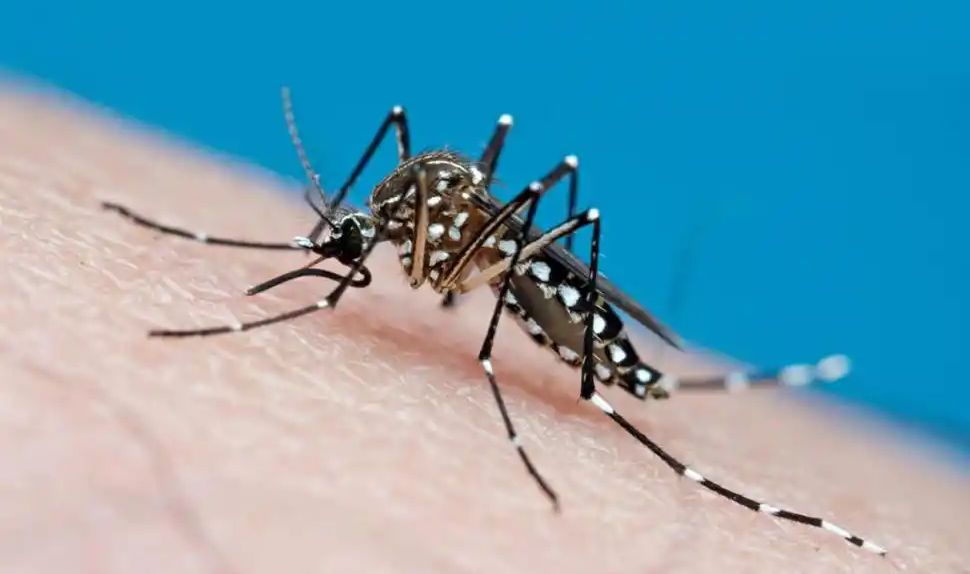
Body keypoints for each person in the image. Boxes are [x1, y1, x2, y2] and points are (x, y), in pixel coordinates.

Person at [2, 84, 967, 573]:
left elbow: (494, 217)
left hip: (529, 270)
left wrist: (501, 356)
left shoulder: (416, 208)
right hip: (491, 254)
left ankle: (593, 379)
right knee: (481, 205)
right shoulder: (388, 200)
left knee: (550, 215)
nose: (347, 253)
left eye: (344, 252)